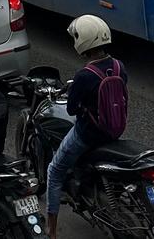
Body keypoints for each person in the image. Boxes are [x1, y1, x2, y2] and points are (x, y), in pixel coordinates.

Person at [45, 15, 127, 239]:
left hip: (88, 135)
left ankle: (51, 231)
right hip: (115, 129)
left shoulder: (85, 75)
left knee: (54, 171)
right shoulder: (119, 66)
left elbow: (71, 110)